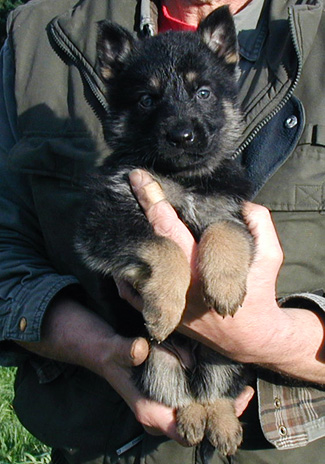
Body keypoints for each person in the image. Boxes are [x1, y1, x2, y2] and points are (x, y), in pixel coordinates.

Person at [0, 0, 325, 463]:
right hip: (114, 430)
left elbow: (233, 228)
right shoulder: (38, 31)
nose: (181, 121)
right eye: (151, 100)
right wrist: (102, 350)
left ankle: (215, 402)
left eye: (204, 94)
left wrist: (266, 336)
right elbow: (75, 239)